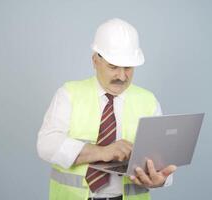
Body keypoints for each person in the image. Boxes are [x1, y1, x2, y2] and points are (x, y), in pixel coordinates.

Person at [37, 18, 177, 200]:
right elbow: (46, 144)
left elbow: (161, 158)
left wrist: (160, 179)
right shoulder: (69, 94)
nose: (121, 76)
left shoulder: (148, 101)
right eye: (113, 67)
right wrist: (102, 152)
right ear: (95, 61)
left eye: (128, 68)